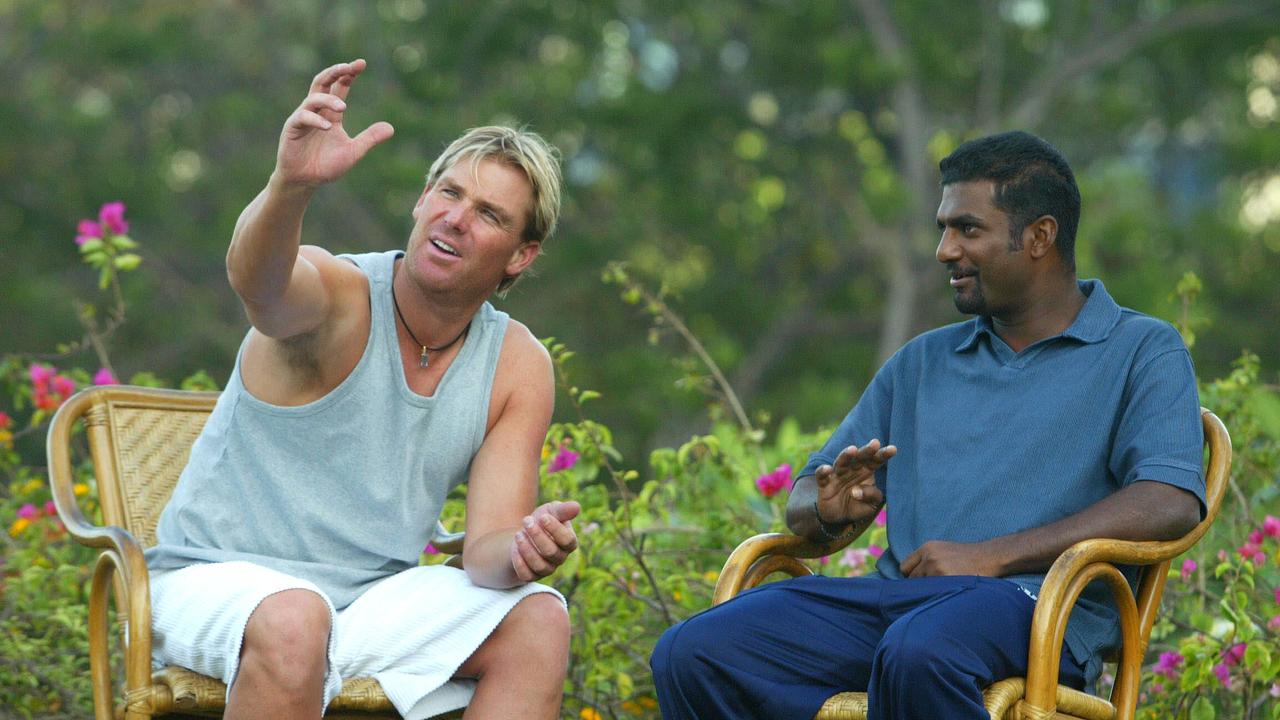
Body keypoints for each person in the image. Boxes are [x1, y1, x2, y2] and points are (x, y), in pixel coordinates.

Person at [650, 130, 1206, 719]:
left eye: (967, 229)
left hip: (1034, 610)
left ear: (1040, 236)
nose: (944, 249)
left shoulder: (1143, 350)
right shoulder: (921, 362)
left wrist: (990, 557)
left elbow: (1170, 500)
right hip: (900, 605)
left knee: (922, 650)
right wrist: (824, 509)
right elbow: (808, 499)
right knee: (694, 651)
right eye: (943, 228)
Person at [144, 59, 578, 720]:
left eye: (488, 213)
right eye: (449, 193)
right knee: (296, 619)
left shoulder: (516, 363)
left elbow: (487, 550)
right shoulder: (338, 296)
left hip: (371, 603)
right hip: (212, 582)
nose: (457, 218)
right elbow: (257, 284)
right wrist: (290, 184)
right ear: (421, 200)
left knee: (538, 619)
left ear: (521, 255)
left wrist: (520, 552)